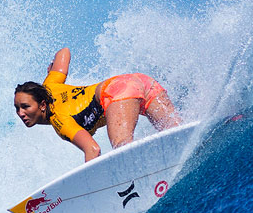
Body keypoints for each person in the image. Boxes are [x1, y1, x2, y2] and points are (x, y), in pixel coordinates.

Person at [14, 48, 182, 162]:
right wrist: (51, 70)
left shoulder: (60, 120)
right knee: (179, 136)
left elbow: (93, 149)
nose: (20, 113)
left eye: (25, 106)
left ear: (43, 105)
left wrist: (92, 185)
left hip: (118, 92)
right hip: (141, 82)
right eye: (17, 108)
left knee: (123, 148)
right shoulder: (49, 85)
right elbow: (64, 51)